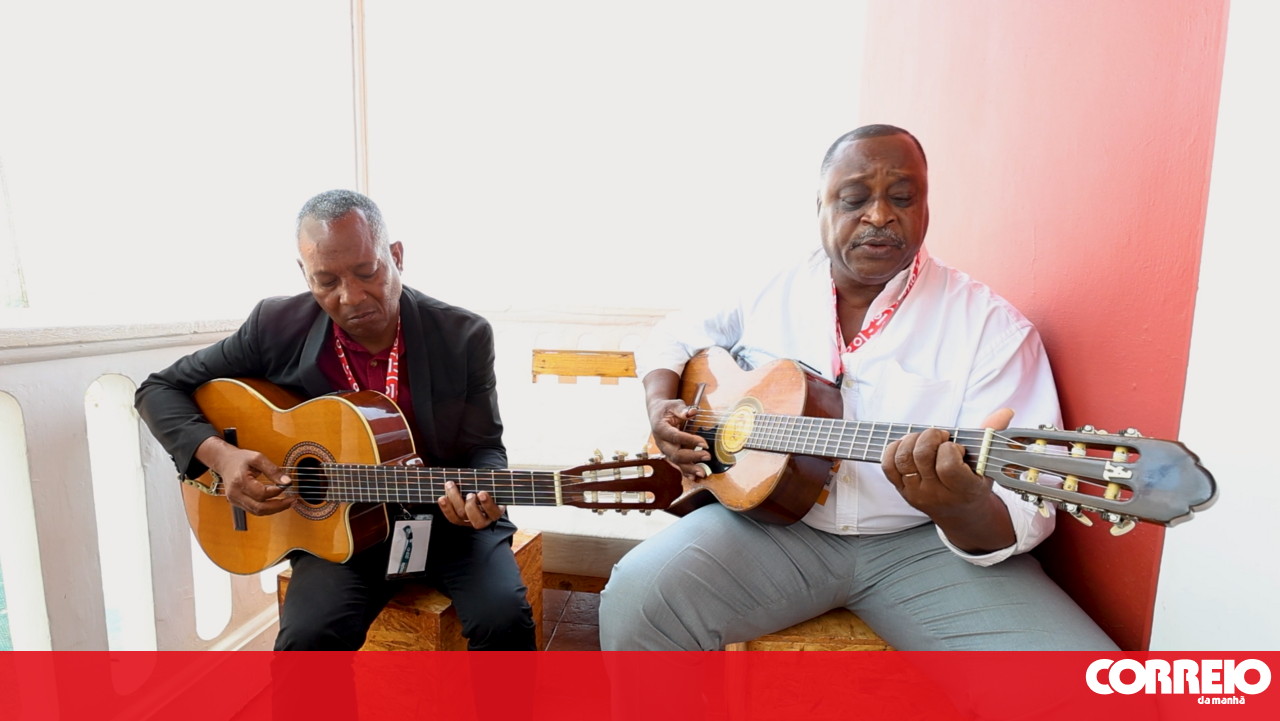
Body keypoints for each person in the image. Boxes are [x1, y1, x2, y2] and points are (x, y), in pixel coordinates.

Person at [599, 125, 1118, 652]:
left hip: (926, 546)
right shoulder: (769, 286)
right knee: (638, 603)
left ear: (926, 207)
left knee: (1086, 683)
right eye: (854, 199)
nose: (879, 215)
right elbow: (672, 336)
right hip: (772, 530)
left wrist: (960, 507)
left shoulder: (992, 329)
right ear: (820, 206)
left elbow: (1028, 508)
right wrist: (661, 405)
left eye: (903, 197)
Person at [136, 189, 536, 653]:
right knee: (306, 643)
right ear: (304, 274)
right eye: (326, 281)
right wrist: (222, 457)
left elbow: (485, 445)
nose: (351, 297)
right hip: (339, 530)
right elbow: (157, 389)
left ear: (396, 256)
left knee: (504, 619)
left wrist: (484, 495)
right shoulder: (276, 326)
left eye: (367, 272)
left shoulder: (462, 335)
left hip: (449, 523)